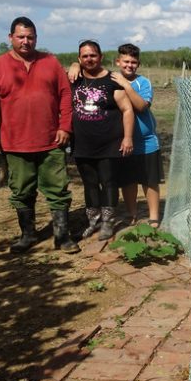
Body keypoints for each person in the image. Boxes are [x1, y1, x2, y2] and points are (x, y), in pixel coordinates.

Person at [0, 16, 79, 253]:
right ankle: (28, 235)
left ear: (36, 38)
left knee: (58, 189)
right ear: (10, 37)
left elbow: (66, 96)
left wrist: (65, 126)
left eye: (30, 37)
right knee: (22, 190)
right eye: (21, 37)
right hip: (15, 143)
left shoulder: (50, 62)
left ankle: (62, 236)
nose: (26, 41)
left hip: (51, 141)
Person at [71, 40, 134, 241]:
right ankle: (93, 220)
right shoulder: (74, 79)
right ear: (79, 59)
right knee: (89, 183)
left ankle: (108, 222)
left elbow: (127, 109)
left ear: (101, 57)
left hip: (109, 142)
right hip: (82, 143)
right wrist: (73, 67)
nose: (89, 59)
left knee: (108, 182)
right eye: (85, 56)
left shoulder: (112, 80)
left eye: (93, 55)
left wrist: (127, 137)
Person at [111, 44, 164, 228]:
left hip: (146, 141)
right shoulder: (110, 80)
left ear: (138, 64)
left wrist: (125, 85)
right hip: (123, 141)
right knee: (128, 180)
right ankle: (131, 214)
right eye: (126, 61)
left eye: (133, 62)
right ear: (118, 61)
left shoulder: (143, 83)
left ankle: (154, 217)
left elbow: (141, 106)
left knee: (150, 180)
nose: (129, 65)